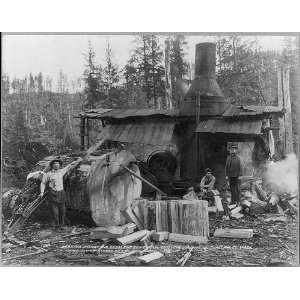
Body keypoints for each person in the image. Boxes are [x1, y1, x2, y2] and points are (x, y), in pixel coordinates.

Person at [40, 158, 81, 229]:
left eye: (58, 164)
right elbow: (43, 183)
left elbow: (70, 166)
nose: (57, 165)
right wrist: (42, 192)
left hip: (61, 193)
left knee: (63, 211)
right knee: (55, 212)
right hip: (53, 193)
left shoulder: (61, 172)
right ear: (52, 165)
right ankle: (56, 226)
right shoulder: (48, 174)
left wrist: (78, 160)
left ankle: (62, 225)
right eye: (55, 164)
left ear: (59, 165)